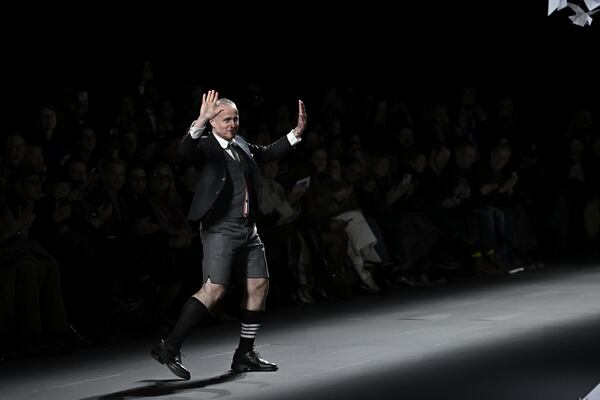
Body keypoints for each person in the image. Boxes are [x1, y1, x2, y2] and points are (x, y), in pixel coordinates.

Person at [150, 90, 306, 379]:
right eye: (225, 120)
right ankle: (169, 347)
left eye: (235, 119)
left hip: (248, 229)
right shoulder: (206, 146)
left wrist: (295, 134)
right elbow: (183, 153)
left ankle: (244, 353)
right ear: (213, 122)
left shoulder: (242, 143)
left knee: (259, 285)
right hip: (220, 228)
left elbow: (266, 152)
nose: (232, 124)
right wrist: (200, 119)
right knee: (214, 289)